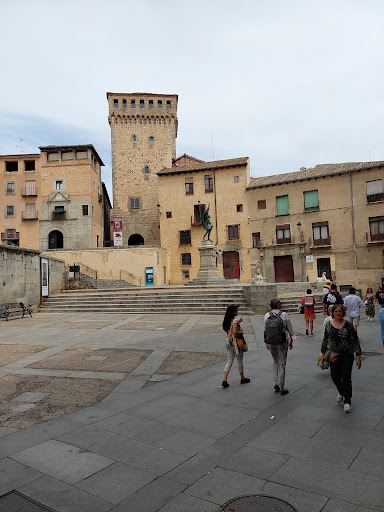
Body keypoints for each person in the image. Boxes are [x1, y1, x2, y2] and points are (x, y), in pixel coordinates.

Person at [320, 304, 362, 413]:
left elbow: (355, 340)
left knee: (346, 378)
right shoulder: (329, 324)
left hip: (347, 355)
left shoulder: (348, 325)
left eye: (340, 311)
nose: (338, 313)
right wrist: (323, 352)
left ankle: (347, 401)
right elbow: (325, 339)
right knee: (334, 376)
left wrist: (358, 356)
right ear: (332, 313)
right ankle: (341, 391)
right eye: (336, 312)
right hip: (334, 355)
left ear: (343, 313)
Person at [264, 298, 294, 395]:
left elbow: (265, 330)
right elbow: (290, 329)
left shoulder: (267, 315)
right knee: (282, 362)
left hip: (271, 342)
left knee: (275, 361)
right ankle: (282, 387)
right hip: (282, 341)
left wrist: (266, 342)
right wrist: (291, 340)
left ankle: (275, 382)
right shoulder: (284, 315)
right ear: (278, 305)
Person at [222, 305, 250, 388]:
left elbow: (231, 328)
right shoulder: (235, 320)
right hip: (236, 343)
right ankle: (242, 378)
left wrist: (239, 322)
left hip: (228, 342)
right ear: (233, 312)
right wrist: (241, 332)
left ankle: (225, 380)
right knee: (239, 360)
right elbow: (234, 331)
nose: (237, 311)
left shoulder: (227, 320)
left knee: (229, 361)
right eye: (236, 310)